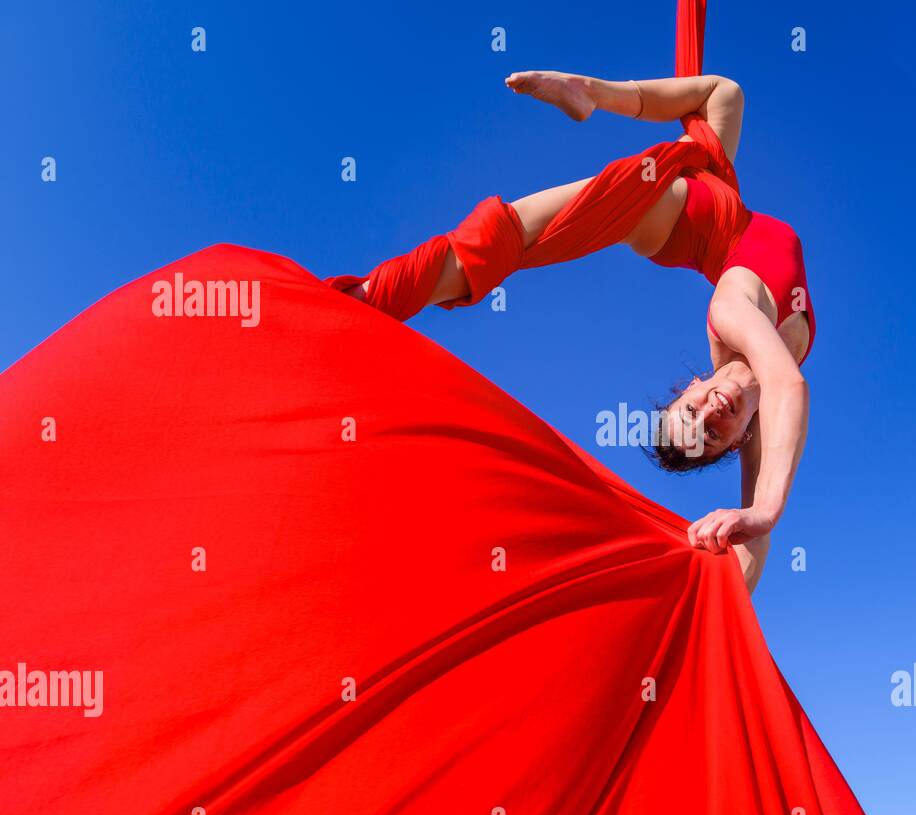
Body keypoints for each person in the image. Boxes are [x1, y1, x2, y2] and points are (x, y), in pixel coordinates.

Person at [330, 70, 815, 593]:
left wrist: (762, 515)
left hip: (682, 212)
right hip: (721, 209)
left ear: (692, 384)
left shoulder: (729, 314)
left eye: (692, 413)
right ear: (736, 442)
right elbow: (754, 544)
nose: (712, 414)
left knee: (510, 237)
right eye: (712, 435)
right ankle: (370, 301)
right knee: (725, 96)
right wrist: (748, 544)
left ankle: (357, 306)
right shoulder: (764, 417)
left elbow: (789, 391)